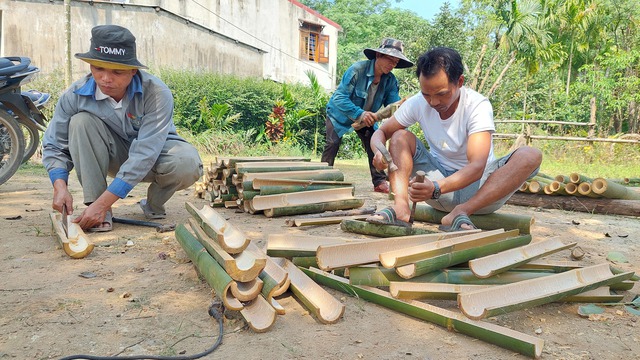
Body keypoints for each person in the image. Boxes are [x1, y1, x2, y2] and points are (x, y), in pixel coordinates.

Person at [42, 25, 203, 232]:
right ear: (90, 66)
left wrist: (105, 201)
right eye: (98, 69)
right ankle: (97, 207)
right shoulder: (74, 96)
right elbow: (55, 146)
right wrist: (60, 186)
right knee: (81, 121)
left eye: (117, 71)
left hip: (154, 158)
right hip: (111, 156)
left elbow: (145, 153)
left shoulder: (156, 94)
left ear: (133, 71)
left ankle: (152, 204)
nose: (106, 79)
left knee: (187, 162)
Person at [367, 47, 542, 230]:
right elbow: (381, 133)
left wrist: (436, 187)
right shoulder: (418, 102)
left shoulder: (477, 106)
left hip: (478, 194)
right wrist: (378, 149)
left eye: (442, 94)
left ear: (459, 81)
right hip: (434, 189)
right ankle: (401, 208)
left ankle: (461, 212)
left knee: (530, 155)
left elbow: (476, 167)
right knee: (399, 136)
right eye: (427, 94)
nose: (433, 102)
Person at [321, 38, 413, 193]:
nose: (392, 65)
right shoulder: (357, 70)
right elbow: (339, 98)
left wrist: (402, 115)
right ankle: (323, 179)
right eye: (390, 60)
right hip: (340, 114)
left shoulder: (390, 80)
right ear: (378, 55)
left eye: (395, 63)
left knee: (376, 144)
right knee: (332, 143)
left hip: (368, 119)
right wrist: (360, 113)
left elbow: (393, 107)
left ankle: (379, 181)